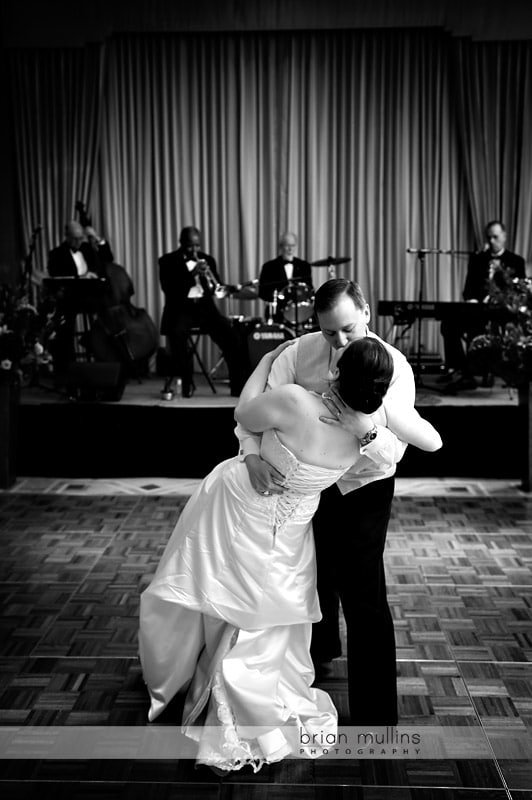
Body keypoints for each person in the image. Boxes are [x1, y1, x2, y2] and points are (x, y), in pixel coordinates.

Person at [139, 336, 441, 772]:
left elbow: (244, 413)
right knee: (268, 610)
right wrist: (366, 428)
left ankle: (200, 676)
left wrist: (264, 361)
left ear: (335, 373)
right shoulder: (369, 431)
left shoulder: (296, 400)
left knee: (213, 588)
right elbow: (420, 446)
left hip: (240, 503)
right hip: (294, 530)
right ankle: (246, 683)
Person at [236, 277, 439, 726]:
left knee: (364, 594)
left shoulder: (394, 366)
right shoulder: (297, 354)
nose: (341, 341)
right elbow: (253, 414)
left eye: (349, 328)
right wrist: (250, 456)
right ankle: (319, 654)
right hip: (303, 487)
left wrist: (362, 427)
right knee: (311, 574)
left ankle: (376, 712)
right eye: (330, 332)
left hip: (365, 486)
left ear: (365, 310)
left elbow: (396, 452)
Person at [440, 220, 525, 393]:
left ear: (504, 236)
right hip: (478, 310)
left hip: (502, 313)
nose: (492, 241)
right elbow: (467, 290)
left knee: (483, 329)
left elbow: (519, 294)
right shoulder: (478, 259)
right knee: (448, 324)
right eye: (489, 237)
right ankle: (463, 371)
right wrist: (472, 300)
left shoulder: (516, 261)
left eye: (496, 237)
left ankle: (484, 370)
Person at [159, 226, 244, 398]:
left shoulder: (207, 260)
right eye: (191, 246)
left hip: (205, 310)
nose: (195, 250)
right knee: (177, 335)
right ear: (181, 243)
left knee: (231, 336)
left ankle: (238, 386)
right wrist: (191, 274)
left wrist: (208, 278)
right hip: (181, 309)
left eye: (197, 246)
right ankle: (186, 384)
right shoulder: (167, 261)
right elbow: (168, 289)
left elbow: (216, 287)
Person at [46, 220, 113, 378]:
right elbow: (56, 277)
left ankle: (105, 357)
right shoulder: (57, 254)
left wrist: (96, 237)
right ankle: (67, 369)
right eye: (75, 239)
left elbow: (108, 258)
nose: (78, 242)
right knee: (64, 326)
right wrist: (81, 277)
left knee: (109, 318)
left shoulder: (87, 248)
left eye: (80, 238)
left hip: (91, 298)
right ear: (67, 237)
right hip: (70, 298)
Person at [258, 232, 314, 325]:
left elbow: (310, 289)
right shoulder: (269, 266)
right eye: (287, 245)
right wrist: (278, 296)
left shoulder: (304, 266)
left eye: (293, 245)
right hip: (278, 312)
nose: (290, 249)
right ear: (280, 247)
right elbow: (262, 292)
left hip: (301, 311)